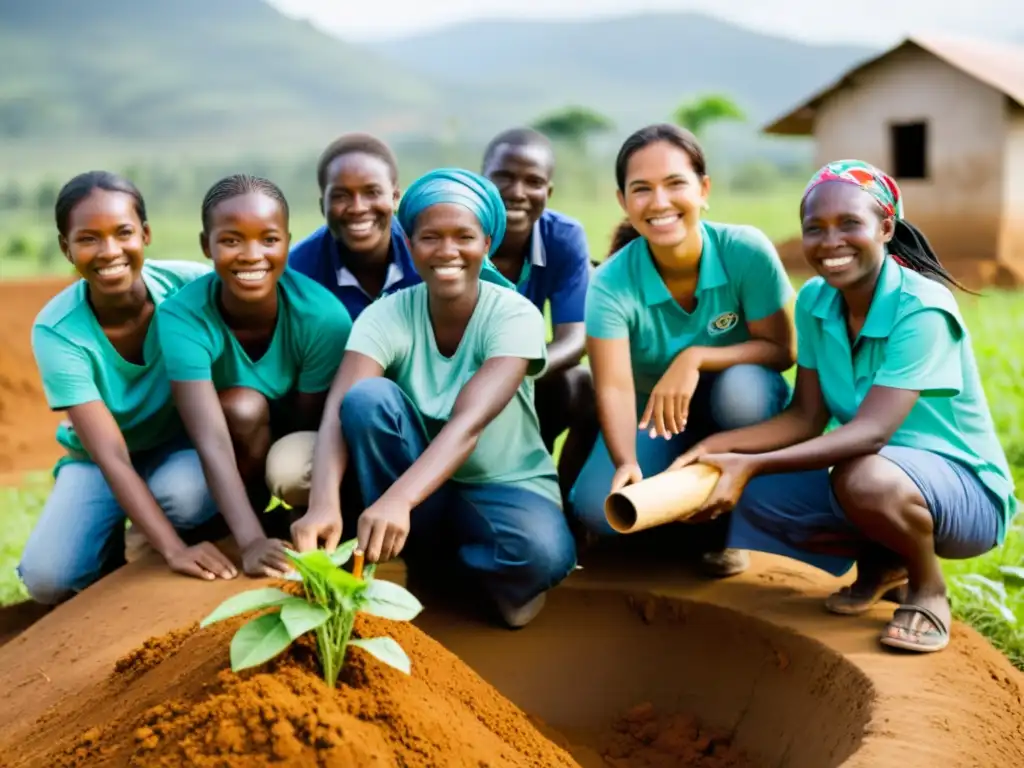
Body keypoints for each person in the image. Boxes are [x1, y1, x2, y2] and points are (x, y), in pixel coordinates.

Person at [671, 159, 1017, 653]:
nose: (830, 241)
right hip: (878, 473)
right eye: (815, 228)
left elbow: (873, 432)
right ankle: (882, 559)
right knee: (758, 492)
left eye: (849, 224)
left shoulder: (922, 307)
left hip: (964, 492)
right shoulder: (816, 301)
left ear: (886, 227)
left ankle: (927, 590)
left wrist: (749, 463)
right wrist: (716, 448)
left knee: (860, 476)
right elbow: (804, 417)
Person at [290, 168, 577, 629]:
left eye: (463, 236)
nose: (447, 251)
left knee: (542, 555)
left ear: (487, 243)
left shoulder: (513, 315)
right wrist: (322, 502)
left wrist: (398, 501)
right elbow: (338, 412)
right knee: (367, 399)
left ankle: (455, 571)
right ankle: (422, 559)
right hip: (418, 483)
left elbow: (469, 424)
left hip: (502, 486)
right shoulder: (386, 315)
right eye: (430, 237)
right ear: (409, 243)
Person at [569, 124, 795, 577]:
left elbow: (781, 351)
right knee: (598, 509)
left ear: (703, 189)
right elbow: (613, 387)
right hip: (658, 417)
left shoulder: (744, 251)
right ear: (623, 202)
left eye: (675, 184)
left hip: (739, 408)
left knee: (743, 389)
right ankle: (678, 506)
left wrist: (696, 358)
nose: (659, 202)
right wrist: (626, 461)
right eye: (641, 189)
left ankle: (729, 529)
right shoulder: (611, 284)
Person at [19, 171, 235, 605]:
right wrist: (176, 552)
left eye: (123, 233)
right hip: (99, 461)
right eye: (89, 239)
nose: (109, 251)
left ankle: (151, 537)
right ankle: (124, 548)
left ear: (146, 234)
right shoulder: (58, 329)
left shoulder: (191, 287)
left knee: (185, 497)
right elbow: (111, 454)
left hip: (179, 448)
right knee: (47, 578)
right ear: (66, 248)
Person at [155, 174, 353, 578]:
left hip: (293, 440)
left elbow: (310, 417)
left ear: (287, 241)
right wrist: (250, 541)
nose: (251, 255)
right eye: (231, 240)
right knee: (241, 409)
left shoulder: (322, 316)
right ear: (204, 245)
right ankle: (241, 524)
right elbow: (209, 436)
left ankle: (290, 521)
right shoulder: (182, 316)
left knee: (287, 461)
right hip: (228, 441)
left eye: (268, 239)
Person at [481, 127, 598, 499]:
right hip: (450, 385)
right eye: (503, 177)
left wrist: (517, 370)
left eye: (532, 181)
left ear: (548, 193)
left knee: (586, 388)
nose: (517, 192)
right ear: (480, 182)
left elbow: (575, 337)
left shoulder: (562, 237)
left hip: (525, 377)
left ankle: (567, 505)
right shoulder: (450, 227)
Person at [289, 132, 510, 319]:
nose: (358, 207)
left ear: (395, 197)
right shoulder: (295, 275)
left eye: (372, 192)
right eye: (341, 196)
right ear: (322, 205)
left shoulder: (437, 253)